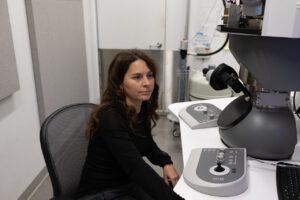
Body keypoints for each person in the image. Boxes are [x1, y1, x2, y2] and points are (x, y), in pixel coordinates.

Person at [77, 50, 185, 200]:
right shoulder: (110, 116)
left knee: (173, 190)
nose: (147, 83)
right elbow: (136, 168)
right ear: (120, 84)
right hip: (101, 192)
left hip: (127, 184)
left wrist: (165, 162)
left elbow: (146, 144)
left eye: (150, 75)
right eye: (137, 77)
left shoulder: (140, 107)